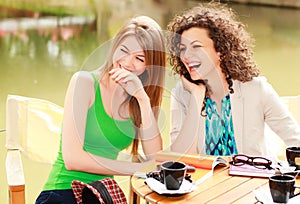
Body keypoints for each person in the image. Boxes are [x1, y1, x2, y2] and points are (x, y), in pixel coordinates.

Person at [35, 15, 165, 203]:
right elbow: (72, 159)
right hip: (63, 190)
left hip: (101, 195)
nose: (127, 62)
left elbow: (155, 158)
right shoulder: (84, 82)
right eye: (124, 50)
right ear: (114, 47)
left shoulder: (138, 99)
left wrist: (143, 99)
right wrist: (134, 169)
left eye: (139, 58)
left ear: (150, 67)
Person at [167, 2, 300, 157]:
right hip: (205, 181)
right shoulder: (182, 93)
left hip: (253, 179)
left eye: (196, 47)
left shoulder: (256, 88)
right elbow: (179, 158)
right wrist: (196, 96)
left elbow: (295, 140)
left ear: (220, 51)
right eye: (183, 49)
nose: (186, 56)